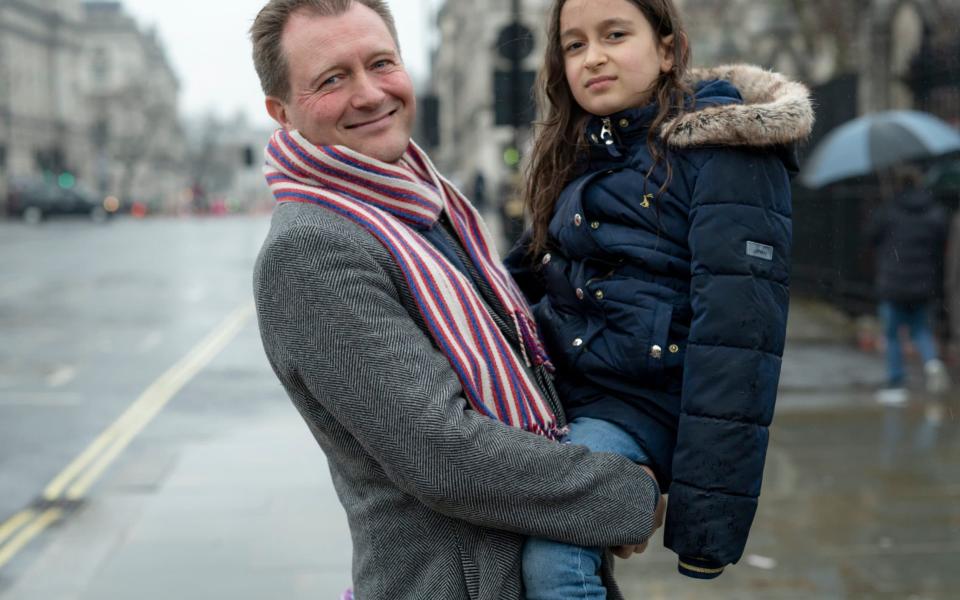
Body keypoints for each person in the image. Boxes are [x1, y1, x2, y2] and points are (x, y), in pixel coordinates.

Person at [249, 1, 665, 598]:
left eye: (381, 63)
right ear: (281, 111)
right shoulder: (312, 248)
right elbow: (444, 455)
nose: (369, 94)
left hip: (539, 562)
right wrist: (624, 494)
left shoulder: (423, 200)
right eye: (332, 79)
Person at [505, 0, 813, 593]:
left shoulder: (724, 153)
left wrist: (706, 527)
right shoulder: (583, 151)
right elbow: (519, 277)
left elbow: (738, 339)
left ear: (667, 49)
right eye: (574, 45)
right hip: (565, 389)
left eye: (615, 35)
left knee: (555, 555)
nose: (593, 56)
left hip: (641, 406)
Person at [867, 165, 950, 405]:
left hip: (893, 282)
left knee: (893, 334)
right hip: (923, 283)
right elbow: (939, 243)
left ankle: (896, 384)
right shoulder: (934, 212)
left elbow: (870, 237)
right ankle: (932, 363)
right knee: (921, 330)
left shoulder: (888, 211)